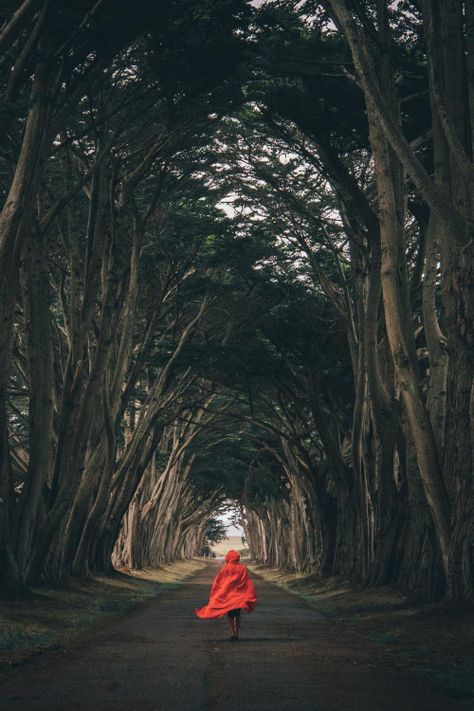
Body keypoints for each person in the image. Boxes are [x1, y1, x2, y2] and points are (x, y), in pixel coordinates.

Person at [195, 549, 257, 641]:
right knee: (238, 614)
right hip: (239, 595)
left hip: (228, 595)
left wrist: (217, 592)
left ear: (227, 558)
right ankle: (237, 632)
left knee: (230, 615)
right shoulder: (242, 567)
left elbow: (218, 581)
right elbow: (246, 580)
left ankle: (232, 632)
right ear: (237, 558)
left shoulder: (226, 568)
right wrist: (248, 592)